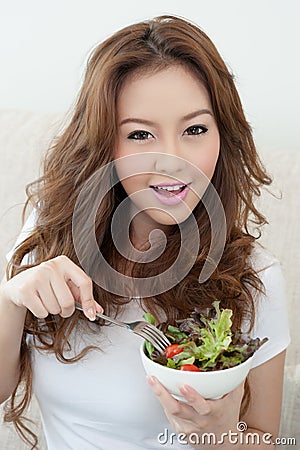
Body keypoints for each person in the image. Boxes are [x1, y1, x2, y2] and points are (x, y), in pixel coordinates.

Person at [0, 14, 290, 450]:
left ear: (222, 135)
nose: (171, 160)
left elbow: (271, 442)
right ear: (103, 143)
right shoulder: (51, 228)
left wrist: (222, 436)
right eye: (139, 134)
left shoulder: (256, 277)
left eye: (194, 129)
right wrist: (10, 299)